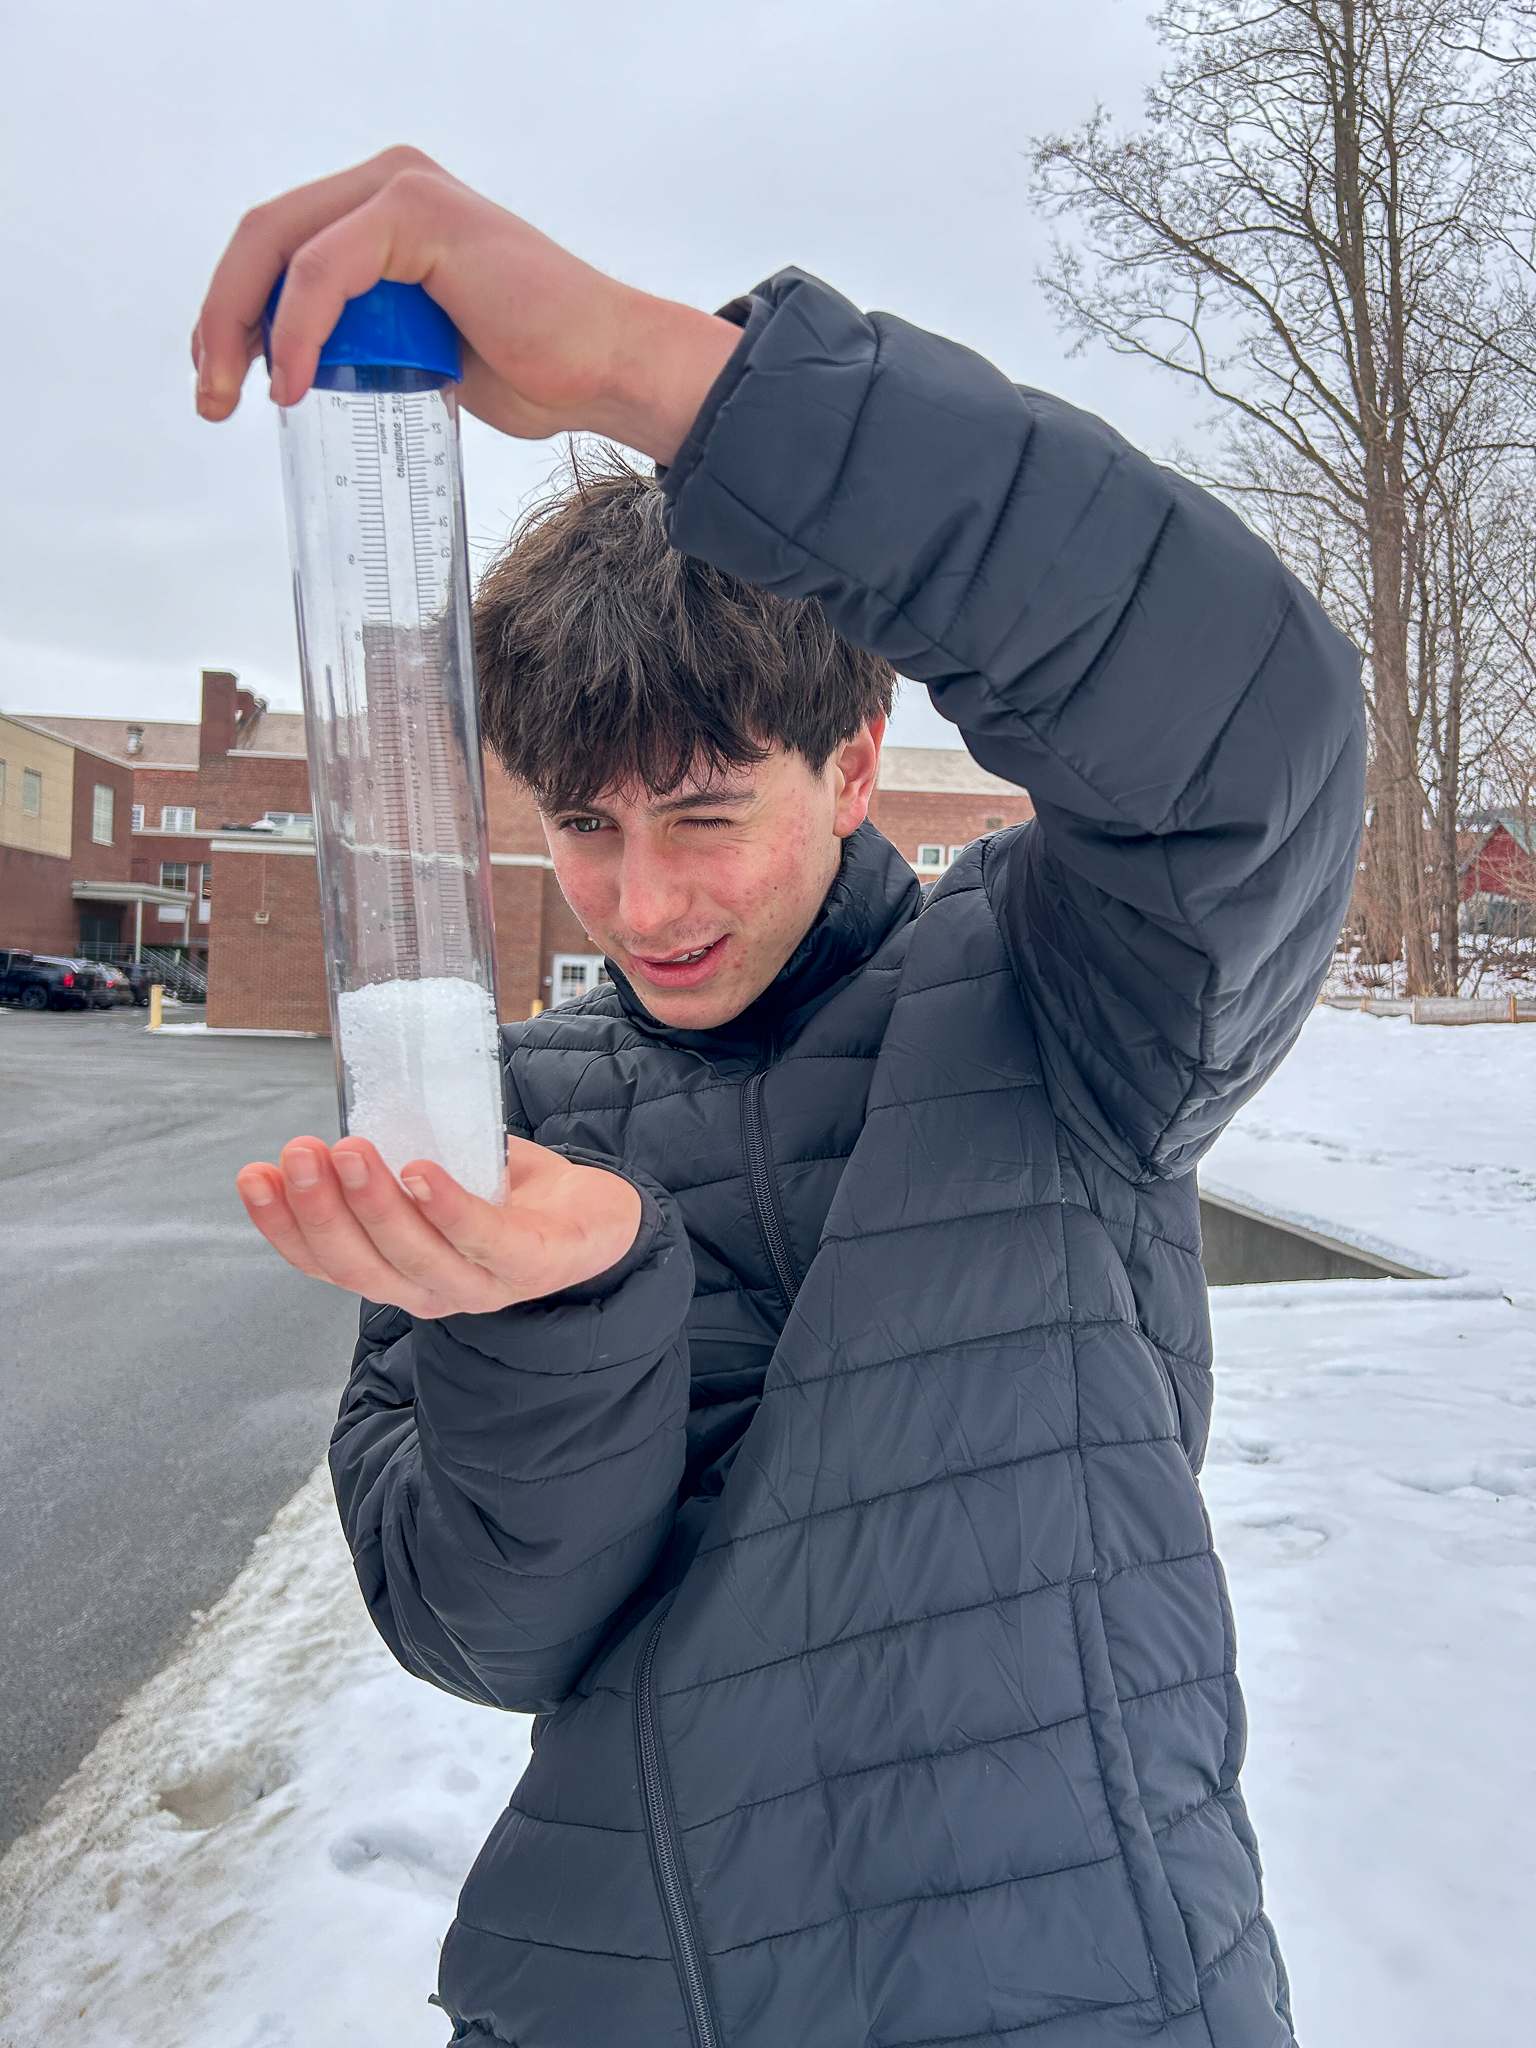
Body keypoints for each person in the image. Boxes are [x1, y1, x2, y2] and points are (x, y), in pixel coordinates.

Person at [203, 148, 1364, 2048]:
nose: (643, 901)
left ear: (854, 763)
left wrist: (661, 373)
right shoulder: (509, 1122)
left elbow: (1253, 728)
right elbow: (477, 1630)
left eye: (705, 814)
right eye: (585, 828)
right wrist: (555, 1322)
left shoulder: (1071, 997)